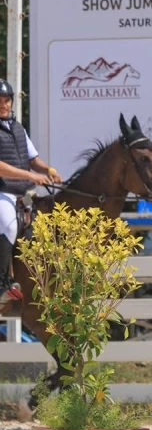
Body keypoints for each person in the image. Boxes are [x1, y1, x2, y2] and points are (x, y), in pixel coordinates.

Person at [0, 82, 61, 304]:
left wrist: (47, 170)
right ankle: (2, 283)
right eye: (0, 100)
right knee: (7, 222)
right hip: (2, 191)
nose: (3, 104)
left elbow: (32, 159)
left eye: (7, 99)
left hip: (21, 192)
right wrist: (30, 177)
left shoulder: (18, 128)